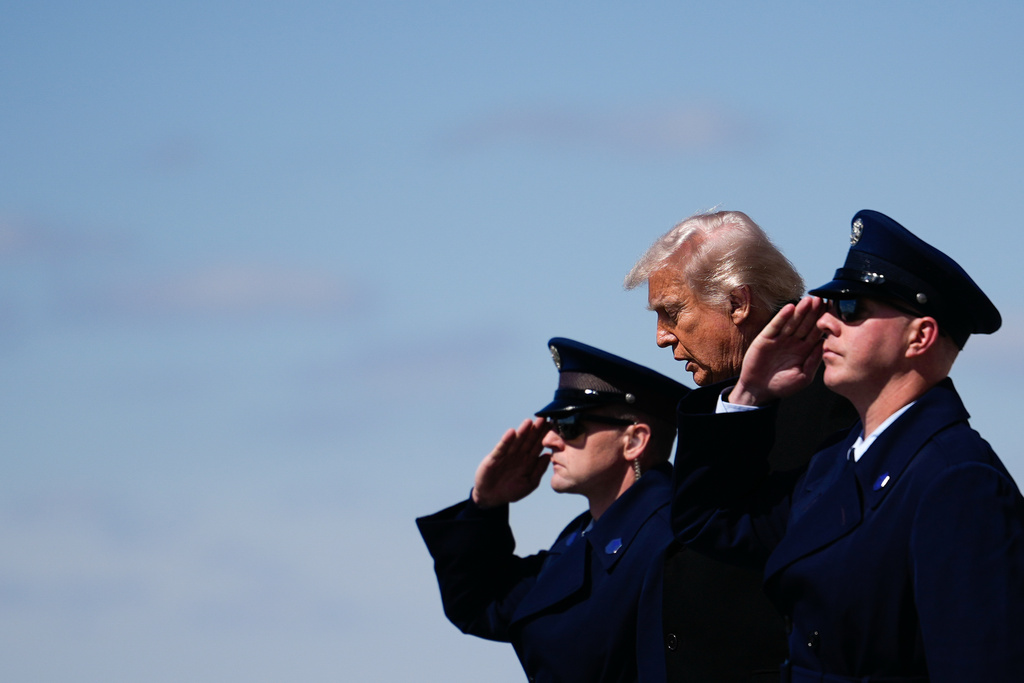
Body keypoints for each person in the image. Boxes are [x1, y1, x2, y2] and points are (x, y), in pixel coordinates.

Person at [673, 209, 1024, 681]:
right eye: (831, 307)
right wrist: (747, 396)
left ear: (920, 336)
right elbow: (710, 523)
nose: (828, 324)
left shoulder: (957, 480)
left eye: (853, 309)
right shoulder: (833, 464)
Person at [624, 210, 856, 682]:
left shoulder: (832, 396)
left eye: (673, 311)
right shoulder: (718, 407)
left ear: (738, 302)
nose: (661, 337)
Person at [417, 338, 689, 683]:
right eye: (550, 425)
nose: (549, 440)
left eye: (569, 425)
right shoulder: (585, 536)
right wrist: (485, 505)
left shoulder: (675, 538)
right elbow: (482, 605)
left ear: (634, 441)